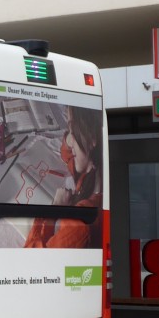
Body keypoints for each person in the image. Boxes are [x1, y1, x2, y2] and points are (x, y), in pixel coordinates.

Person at [24, 106, 102, 249]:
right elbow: (68, 157)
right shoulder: (94, 170)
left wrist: (55, 209)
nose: (70, 141)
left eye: (73, 129)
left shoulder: (81, 223)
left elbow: (33, 257)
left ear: (92, 138)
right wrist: (69, 138)